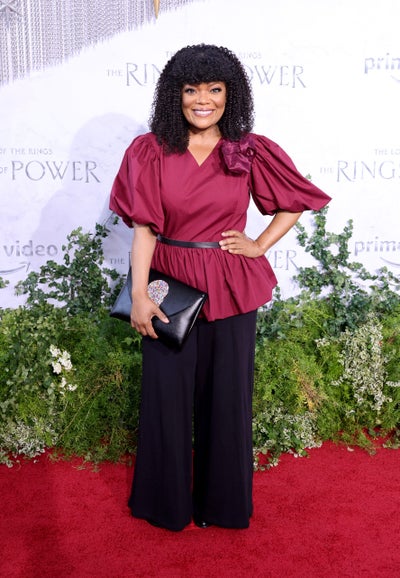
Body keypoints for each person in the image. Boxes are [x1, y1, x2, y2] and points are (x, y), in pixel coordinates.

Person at [109, 44, 331, 532]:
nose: (203, 100)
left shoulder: (248, 149)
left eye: (214, 89)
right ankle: (165, 505)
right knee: (165, 395)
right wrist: (140, 295)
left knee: (227, 396)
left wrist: (259, 244)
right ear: (176, 94)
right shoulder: (150, 150)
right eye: (191, 90)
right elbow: (144, 228)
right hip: (170, 283)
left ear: (231, 95)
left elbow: (294, 201)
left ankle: (223, 506)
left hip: (230, 284)